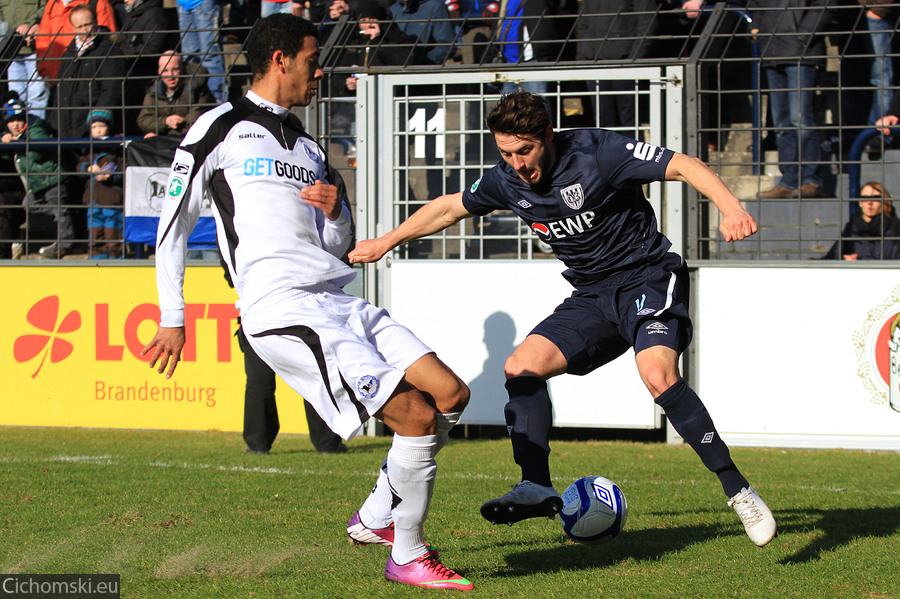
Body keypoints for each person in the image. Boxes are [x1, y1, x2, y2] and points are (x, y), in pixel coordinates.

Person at [349, 90, 778, 548]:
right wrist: (386, 241)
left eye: (525, 150)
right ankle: (535, 484)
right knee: (520, 366)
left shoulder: (598, 153)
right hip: (591, 297)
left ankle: (739, 491)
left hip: (646, 278)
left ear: (547, 137)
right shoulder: (507, 181)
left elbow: (682, 164)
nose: (517, 163)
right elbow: (449, 206)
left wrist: (731, 207)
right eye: (506, 153)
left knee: (657, 375)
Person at [141, 14, 474, 590]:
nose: (319, 71)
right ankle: (408, 553)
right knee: (414, 417)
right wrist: (174, 317)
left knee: (450, 394)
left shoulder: (311, 146)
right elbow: (172, 226)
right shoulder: (215, 130)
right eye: (312, 60)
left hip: (337, 299)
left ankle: (374, 519)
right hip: (281, 309)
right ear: (280, 60)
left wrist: (335, 211)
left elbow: (338, 247)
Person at [752, 0, 831, 199]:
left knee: (801, 120)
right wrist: (755, 29)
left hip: (801, 52)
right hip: (772, 51)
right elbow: (757, 5)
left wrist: (803, 36)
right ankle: (788, 181)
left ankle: (810, 180)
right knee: (782, 125)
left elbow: (824, 5)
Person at [0, 98, 74, 258]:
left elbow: (36, 152)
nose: (16, 125)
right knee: (29, 204)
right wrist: (5, 140)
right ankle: (61, 214)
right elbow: (7, 156)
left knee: (59, 208)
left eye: (19, 120)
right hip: (39, 183)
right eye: (11, 121)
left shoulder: (36, 126)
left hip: (52, 178)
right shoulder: (17, 135)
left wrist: (16, 142)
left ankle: (65, 243)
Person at [51, 4, 125, 140]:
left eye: (88, 24)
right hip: (66, 126)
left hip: (93, 127)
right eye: (79, 26)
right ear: (73, 28)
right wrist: (54, 122)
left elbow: (112, 89)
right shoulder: (68, 54)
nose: (85, 30)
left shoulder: (109, 50)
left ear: (96, 22)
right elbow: (60, 89)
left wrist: (98, 120)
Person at [32, 0, 118, 83]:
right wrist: (44, 72)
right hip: (54, 78)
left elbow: (106, 41)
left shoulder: (98, 2)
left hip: (87, 77)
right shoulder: (53, 3)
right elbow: (43, 40)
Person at [77, 109, 123, 259]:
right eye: (94, 127)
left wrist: (111, 176)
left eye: (101, 126)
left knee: (114, 235)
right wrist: (88, 168)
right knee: (95, 236)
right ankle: (96, 265)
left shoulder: (117, 147)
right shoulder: (88, 148)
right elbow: (79, 167)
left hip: (113, 200)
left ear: (109, 127)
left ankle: (117, 264)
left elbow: (125, 168)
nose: (98, 130)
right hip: (93, 200)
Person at [137, 51, 216, 138]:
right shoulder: (153, 91)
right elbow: (143, 121)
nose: (170, 76)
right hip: (168, 138)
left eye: (175, 70)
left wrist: (161, 134)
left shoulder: (198, 89)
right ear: (159, 72)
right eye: (165, 71)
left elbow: (195, 123)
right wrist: (166, 122)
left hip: (193, 140)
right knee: (148, 137)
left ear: (182, 69)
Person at [823, 181, 900, 260]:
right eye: (865, 198)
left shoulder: (895, 227)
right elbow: (834, 256)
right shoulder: (851, 227)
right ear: (860, 202)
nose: (869, 202)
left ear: (884, 201)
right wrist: (845, 260)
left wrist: (860, 261)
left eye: (876, 198)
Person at [175, 0, 226, 103]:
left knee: (210, 55)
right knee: (189, 58)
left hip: (204, 3)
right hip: (183, 4)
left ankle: (217, 101)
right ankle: (196, 100)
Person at [389, 0, 457, 66]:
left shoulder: (436, 7)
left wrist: (424, 63)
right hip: (393, 71)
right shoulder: (393, 9)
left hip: (423, 72)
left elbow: (447, 45)